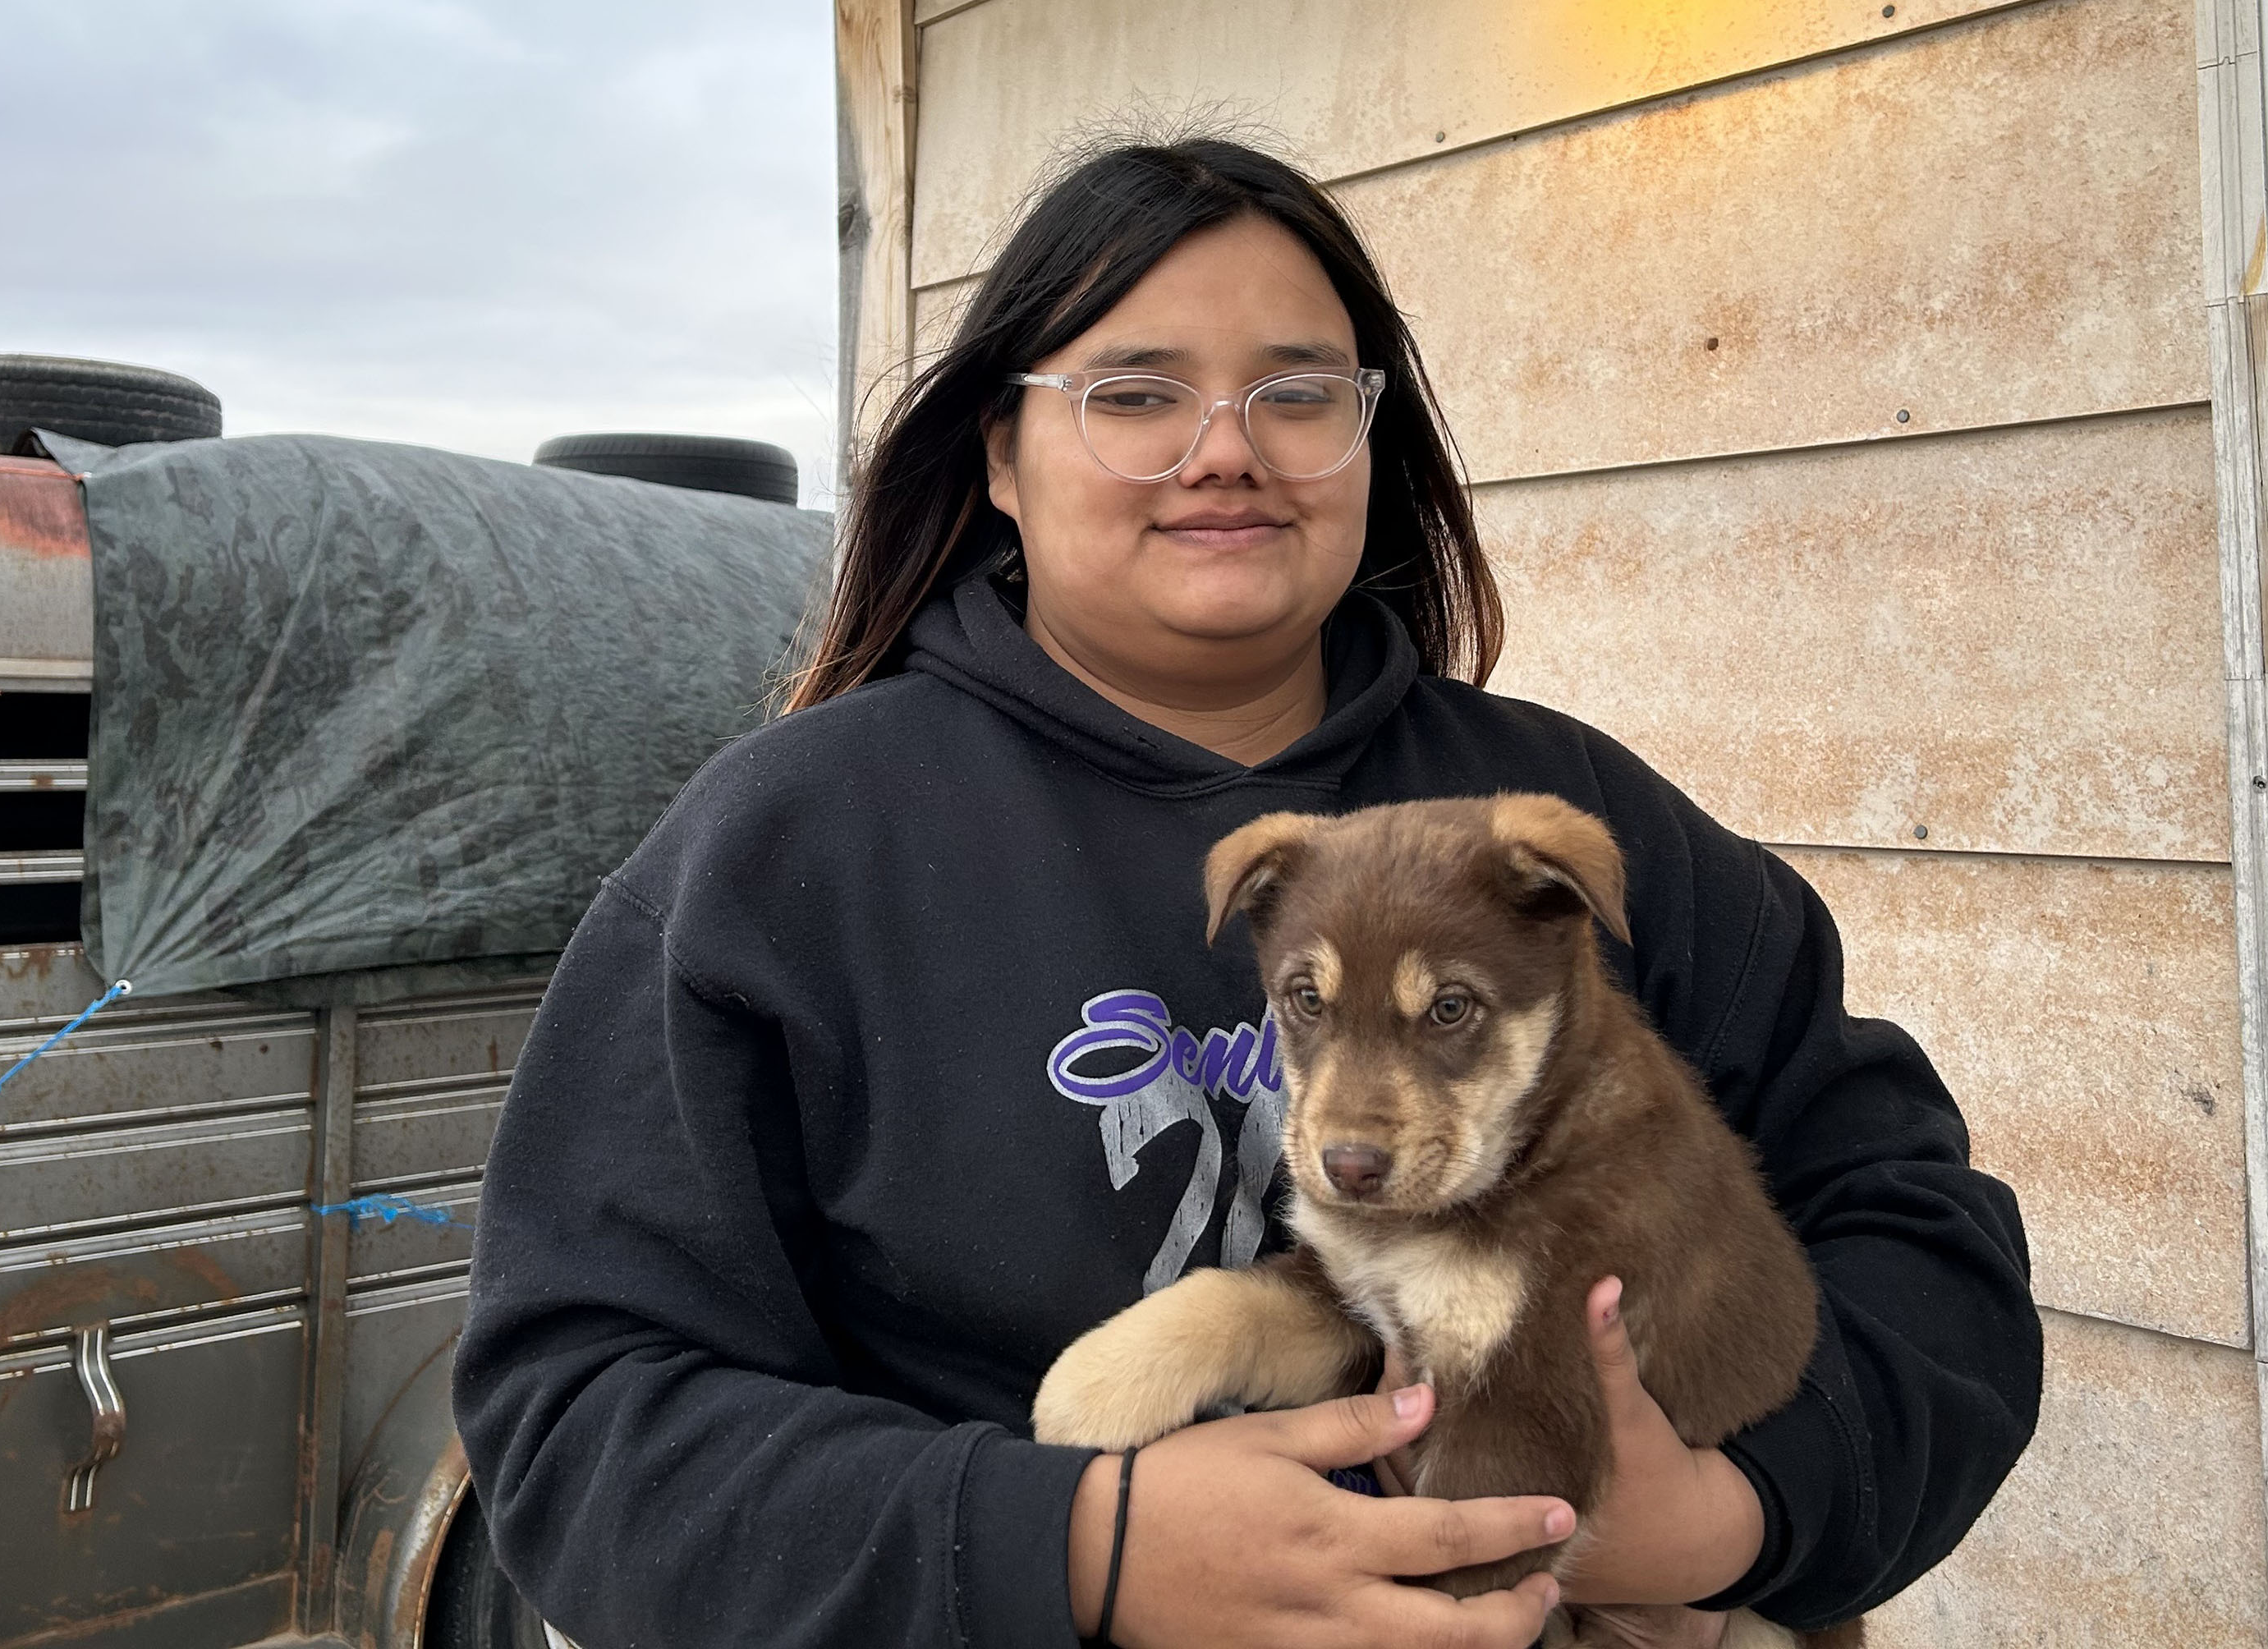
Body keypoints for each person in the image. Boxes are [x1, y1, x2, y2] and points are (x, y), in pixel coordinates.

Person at [453, 140, 2042, 1647]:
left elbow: (1914, 1231)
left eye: (1297, 392)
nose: (1226, 448)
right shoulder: (793, 846)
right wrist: (1077, 1549)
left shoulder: (1564, 835)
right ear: (1001, 455)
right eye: (1134, 393)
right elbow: (581, 1422)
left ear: (1370, 441)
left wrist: (1736, 1515)